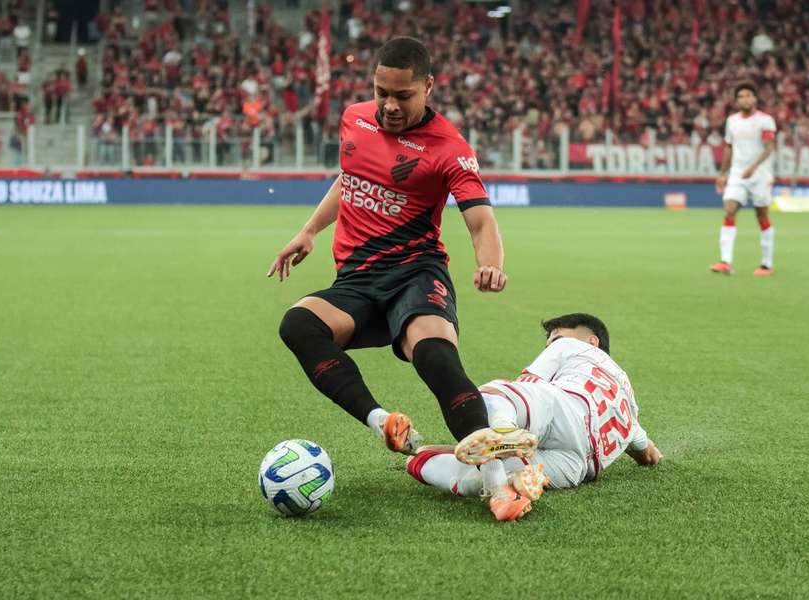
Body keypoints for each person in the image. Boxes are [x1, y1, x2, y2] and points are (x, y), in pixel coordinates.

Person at [268, 37, 536, 521]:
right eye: (381, 92)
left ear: (428, 87)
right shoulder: (354, 116)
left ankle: (500, 485)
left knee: (433, 354)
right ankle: (383, 422)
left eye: (403, 95)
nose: (389, 105)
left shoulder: (450, 148)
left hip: (416, 272)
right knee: (298, 325)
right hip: (358, 278)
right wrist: (308, 230)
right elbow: (349, 178)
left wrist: (490, 261)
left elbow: (480, 218)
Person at [406, 313, 662, 518]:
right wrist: (650, 454)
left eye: (554, 337)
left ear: (592, 341)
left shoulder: (571, 346)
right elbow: (648, 455)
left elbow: (529, 384)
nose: (550, 343)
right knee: (473, 468)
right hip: (577, 466)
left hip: (566, 409)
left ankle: (502, 434)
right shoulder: (630, 401)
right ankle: (509, 485)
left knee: (494, 395)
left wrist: (506, 420)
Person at [712, 83, 777, 276]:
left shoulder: (765, 121)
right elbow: (728, 148)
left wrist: (753, 167)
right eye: (741, 96)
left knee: (762, 216)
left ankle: (766, 264)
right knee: (729, 210)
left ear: (755, 98)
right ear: (737, 100)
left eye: (748, 95)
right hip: (738, 174)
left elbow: (768, 148)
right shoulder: (732, 121)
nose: (745, 99)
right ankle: (725, 262)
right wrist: (723, 173)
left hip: (760, 175)